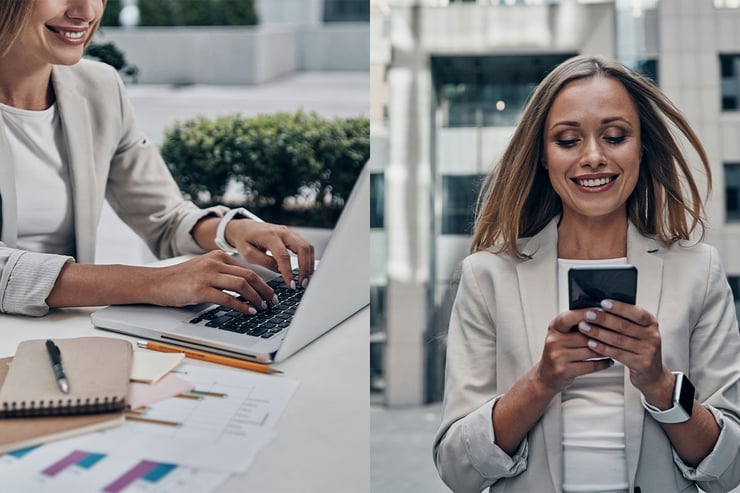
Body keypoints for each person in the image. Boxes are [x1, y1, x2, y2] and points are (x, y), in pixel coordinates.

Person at [433, 55, 740, 492]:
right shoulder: (488, 276)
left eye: (615, 136)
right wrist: (541, 381)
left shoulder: (699, 270)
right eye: (567, 140)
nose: (593, 157)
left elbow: (729, 470)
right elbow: (457, 469)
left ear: (642, 147)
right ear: (542, 155)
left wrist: (661, 384)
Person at [0, 0, 315, 317]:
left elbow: (164, 218)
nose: (86, 12)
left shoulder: (99, 88)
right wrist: (153, 282)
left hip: (62, 335)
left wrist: (234, 231)